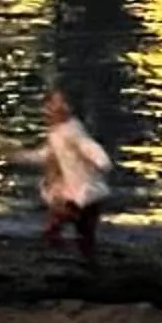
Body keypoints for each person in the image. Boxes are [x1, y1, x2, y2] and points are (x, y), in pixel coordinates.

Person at [24, 88, 113, 265]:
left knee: (55, 229)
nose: (55, 108)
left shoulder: (71, 131)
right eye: (52, 104)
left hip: (81, 195)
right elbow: (48, 155)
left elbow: (88, 147)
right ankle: (85, 265)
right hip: (84, 195)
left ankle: (57, 263)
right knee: (84, 237)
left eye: (60, 103)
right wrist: (18, 155)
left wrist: (101, 160)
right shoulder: (57, 132)